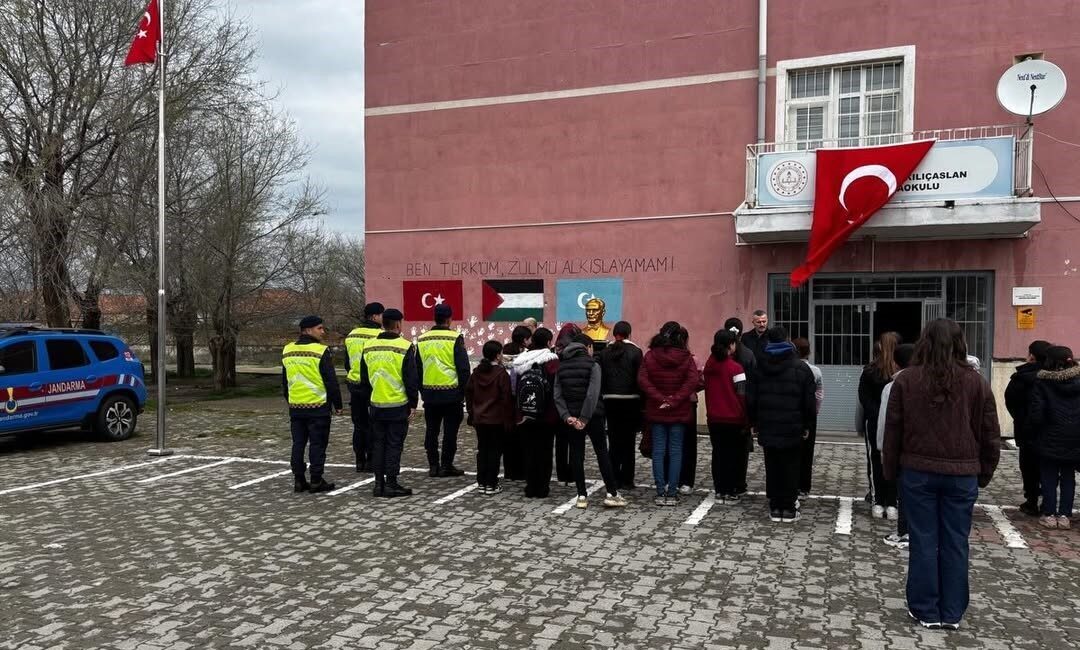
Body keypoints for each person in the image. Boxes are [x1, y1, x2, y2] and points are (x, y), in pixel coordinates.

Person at [883, 318, 1000, 631]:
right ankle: (952, 611)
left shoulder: (907, 380)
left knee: (923, 540)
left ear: (925, 342)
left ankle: (926, 609)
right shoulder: (977, 383)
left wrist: (890, 471)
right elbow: (990, 432)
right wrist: (984, 471)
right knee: (956, 541)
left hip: (917, 472)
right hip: (962, 474)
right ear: (961, 343)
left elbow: (893, 430)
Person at [747, 327, 816, 523]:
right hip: (793, 427)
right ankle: (789, 508)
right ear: (787, 341)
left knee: (773, 466)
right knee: (791, 467)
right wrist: (807, 425)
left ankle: (775, 506)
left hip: (768, 425)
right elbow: (809, 402)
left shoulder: (760, 366)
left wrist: (754, 422)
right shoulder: (801, 368)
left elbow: (751, 398)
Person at [554, 333, 626, 509]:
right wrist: (584, 418)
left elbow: (557, 395)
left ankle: (581, 495)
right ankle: (612, 493)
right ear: (588, 347)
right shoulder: (593, 365)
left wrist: (566, 416)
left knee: (576, 454)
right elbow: (592, 394)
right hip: (593, 416)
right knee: (602, 452)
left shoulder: (561, 366)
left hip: (571, 418)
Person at [360, 308, 421, 498]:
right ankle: (391, 483)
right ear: (397, 324)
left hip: (376, 404)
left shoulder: (369, 346)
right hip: (397, 404)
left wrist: (369, 400)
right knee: (394, 445)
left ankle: (378, 484)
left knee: (378, 444)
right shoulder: (404, 346)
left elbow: (364, 379)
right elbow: (411, 379)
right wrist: (413, 403)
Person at [638, 321, 700, 506]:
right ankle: (672, 493)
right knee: (676, 451)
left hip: (657, 409)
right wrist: (674, 399)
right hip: (679, 410)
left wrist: (660, 398)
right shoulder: (685, 357)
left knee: (658, 451)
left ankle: (660, 491)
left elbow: (643, 380)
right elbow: (692, 381)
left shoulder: (650, 355)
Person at [282, 315, 344, 493]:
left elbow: (285, 381)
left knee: (298, 444)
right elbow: (330, 381)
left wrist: (290, 400)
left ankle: (299, 479)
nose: (323, 332)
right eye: (320, 328)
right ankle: (316, 480)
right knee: (317, 444)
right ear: (308, 330)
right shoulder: (320, 351)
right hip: (318, 407)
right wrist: (338, 404)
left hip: (296, 407)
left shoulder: (288, 349)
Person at [415, 304, 471, 478]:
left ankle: (433, 465)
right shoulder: (455, 338)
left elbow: (418, 368)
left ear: (435, 318)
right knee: (450, 432)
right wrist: (465, 392)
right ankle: (446, 465)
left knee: (431, 431)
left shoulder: (422, 339)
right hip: (452, 394)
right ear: (449, 319)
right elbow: (463, 369)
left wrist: (423, 390)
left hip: (430, 394)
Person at [1028, 345, 1080, 530]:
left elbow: (1037, 414)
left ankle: (1049, 514)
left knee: (1048, 476)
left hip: (1048, 436)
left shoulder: (1043, 382)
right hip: (1074, 438)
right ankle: (1065, 516)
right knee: (1068, 477)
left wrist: (1035, 431)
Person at [1004, 340, 1053, 516]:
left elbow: (1010, 401)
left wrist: (1021, 419)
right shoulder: (1054, 376)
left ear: (1031, 356)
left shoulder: (1021, 377)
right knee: (1049, 466)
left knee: (1028, 466)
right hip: (1050, 431)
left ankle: (1031, 501)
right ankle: (1048, 502)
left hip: (1027, 431)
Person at [858, 332, 902, 519]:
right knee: (895, 462)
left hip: (875, 423)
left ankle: (878, 501)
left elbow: (863, 397)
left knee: (876, 460)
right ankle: (892, 502)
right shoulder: (903, 373)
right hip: (897, 423)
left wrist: (875, 414)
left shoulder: (869, 370)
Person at [876, 343, 916, 549]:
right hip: (922, 448)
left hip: (902, 448)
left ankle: (904, 531)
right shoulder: (929, 381)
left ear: (896, 362)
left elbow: (885, 420)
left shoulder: (892, 386)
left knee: (904, 491)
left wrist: (882, 447)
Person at [514, 328, 560, 498]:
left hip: (525, 413)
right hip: (546, 415)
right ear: (548, 342)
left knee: (529, 451)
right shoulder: (552, 361)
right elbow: (556, 387)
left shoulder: (522, 360)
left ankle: (530, 486)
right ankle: (542, 488)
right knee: (545, 452)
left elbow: (516, 387)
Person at [703, 329, 748, 502]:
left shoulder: (709, 365)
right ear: (731, 345)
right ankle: (729, 490)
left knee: (718, 454)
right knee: (732, 455)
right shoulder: (736, 368)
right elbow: (742, 395)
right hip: (733, 417)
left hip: (714, 417)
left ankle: (720, 490)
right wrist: (746, 417)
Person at [465, 341, 515, 495]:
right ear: (498, 355)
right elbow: (506, 399)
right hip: (496, 419)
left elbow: (469, 393)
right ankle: (491, 484)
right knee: (494, 451)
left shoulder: (476, 373)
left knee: (483, 450)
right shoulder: (501, 374)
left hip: (480, 418)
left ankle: (482, 482)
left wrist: (471, 412)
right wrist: (509, 420)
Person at [598, 321, 643, 490]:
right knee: (629, 442)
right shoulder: (636, 352)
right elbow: (640, 378)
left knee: (614, 441)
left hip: (610, 400)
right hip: (631, 400)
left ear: (614, 333)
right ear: (629, 333)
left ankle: (614, 478)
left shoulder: (605, 352)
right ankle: (627, 479)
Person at [343, 302, 384, 472]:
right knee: (375, 424)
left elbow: (347, 363)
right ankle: (371, 460)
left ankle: (359, 461)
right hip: (374, 385)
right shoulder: (380, 335)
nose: (383, 318)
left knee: (359, 424)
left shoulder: (352, 335)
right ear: (374, 316)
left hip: (355, 385)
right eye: (381, 315)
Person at [500, 325, 532, 481]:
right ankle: (522, 471)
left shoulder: (502, 353)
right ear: (525, 340)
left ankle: (509, 472)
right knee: (522, 438)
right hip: (520, 401)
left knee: (507, 438)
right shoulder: (526, 356)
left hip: (504, 401)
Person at [793, 337, 823, 496]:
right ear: (808, 352)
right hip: (809, 415)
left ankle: (792, 483)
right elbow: (819, 395)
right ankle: (804, 486)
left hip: (793, 413)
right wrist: (814, 413)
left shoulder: (789, 368)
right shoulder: (815, 371)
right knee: (807, 451)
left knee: (792, 451)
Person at [553, 323, 582, 483]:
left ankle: (562, 472)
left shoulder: (555, 352)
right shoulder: (577, 352)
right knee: (576, 440)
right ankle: (574, 472)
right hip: (575, 400)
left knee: (561, 441)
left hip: (559, 403)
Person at [678, 326, 705, 495]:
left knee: (671, 442)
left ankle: (671, 478)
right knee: (688, 443)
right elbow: (701, 381)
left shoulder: (661, 358)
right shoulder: (692, 360)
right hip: (688, 402)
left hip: (669, 404)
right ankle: (687, 481)